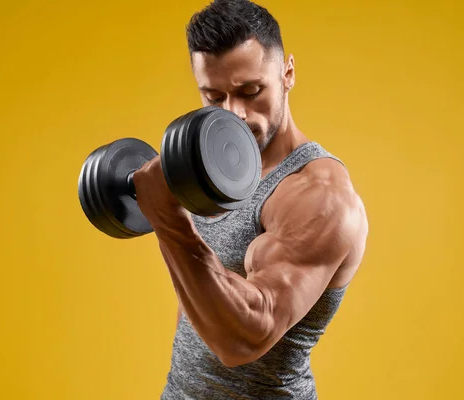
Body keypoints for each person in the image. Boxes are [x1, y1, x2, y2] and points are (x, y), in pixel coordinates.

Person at [132, 0, 369, 398]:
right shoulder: (211, 170)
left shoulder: (319, 197)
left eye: (251, 91)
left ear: (287, 73)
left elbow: (244, 338)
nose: (233, 114)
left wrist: (169, 221)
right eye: (214, 97)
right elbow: (198, 294)